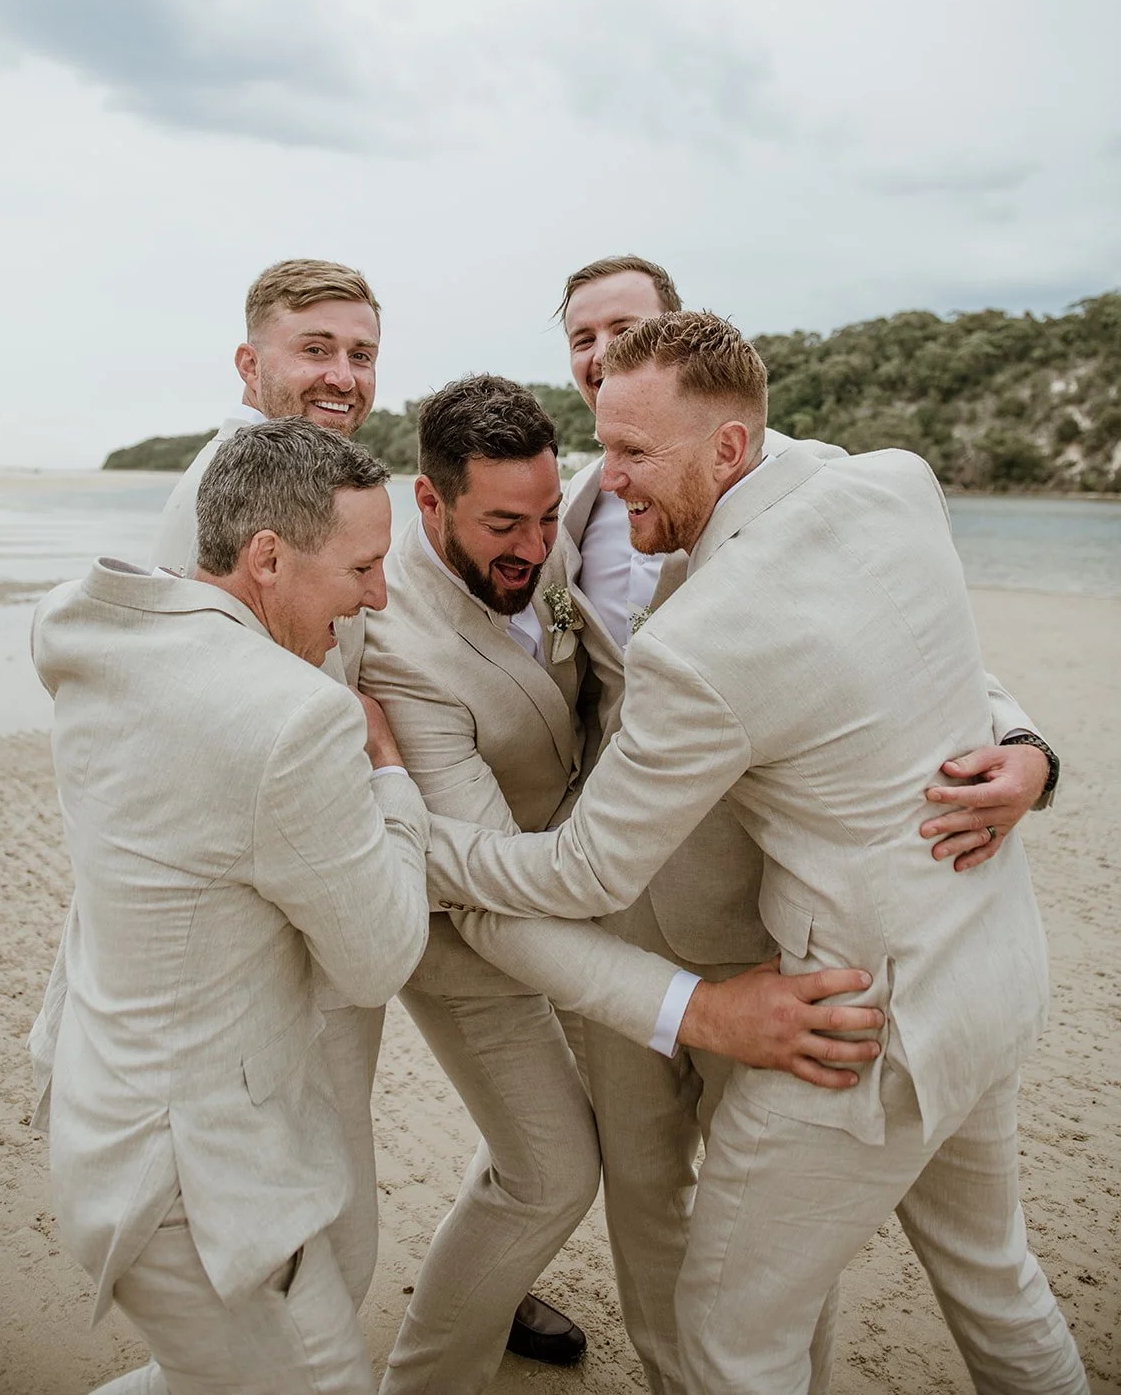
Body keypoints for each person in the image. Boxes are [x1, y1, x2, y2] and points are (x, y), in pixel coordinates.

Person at [422, 312, 1088, 1393]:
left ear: (729, 448)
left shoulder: (702, 636)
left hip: (857, 1027)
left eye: (637, 452)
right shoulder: (894, 482)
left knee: (732, 1341)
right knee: (998, 1279)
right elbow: (913, 656)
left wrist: (429, 846)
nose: (616, 475)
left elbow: (588, 871)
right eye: (606, 443)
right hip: (993, 968)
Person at [360, 377, 882, 1395]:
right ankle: (422, 1381)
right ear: (429, 504)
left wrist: (1013, 733)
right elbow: (483, 896)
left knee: (558, 1146)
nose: (534, 544)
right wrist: (702, 1012)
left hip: (584, 891)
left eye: (548, 516)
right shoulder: (400, 644)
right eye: (504, 524)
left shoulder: (568, 528)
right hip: (473, 917)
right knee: (556, 1167)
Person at [150, 257, 590, 1360]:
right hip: (297, 918)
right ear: (251, 364)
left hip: (382, 883)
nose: (343, 374)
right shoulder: (218, 499)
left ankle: (472, 1298)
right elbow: (190, 733)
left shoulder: (342, 486)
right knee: (323, 1234)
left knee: (497, 1167)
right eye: (316, 349)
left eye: (360, 351)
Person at [28, 419, 432, 1394]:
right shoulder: (293, 719)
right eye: (363, 567)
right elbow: (380, 958)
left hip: (95, 1111)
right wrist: (390, 779)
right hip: (195, 1193)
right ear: (264, 558)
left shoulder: (87, 629)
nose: (378, 595)